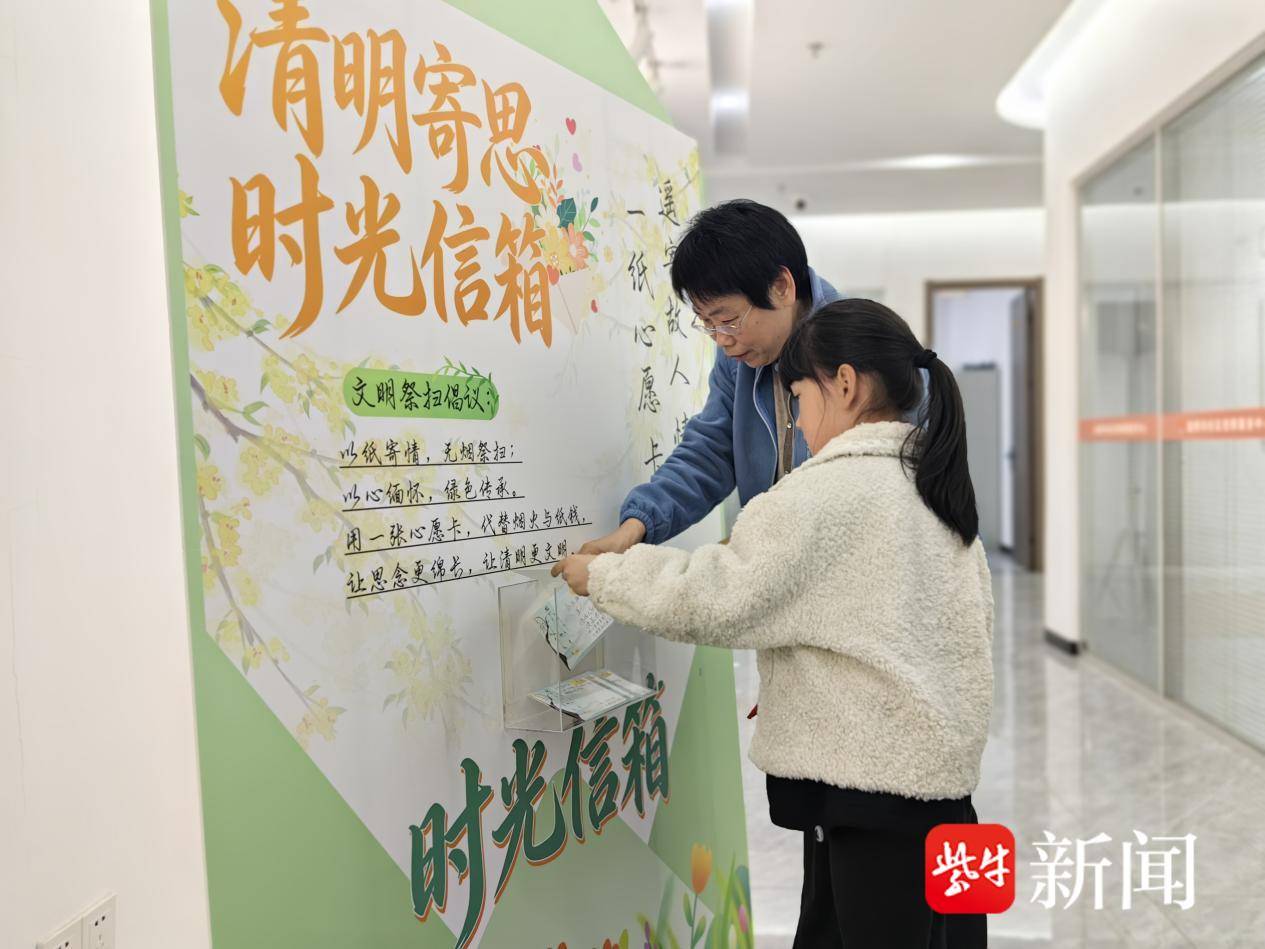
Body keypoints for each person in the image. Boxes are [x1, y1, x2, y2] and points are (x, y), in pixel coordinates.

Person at [557, 299, 994, 947]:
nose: (799, 424)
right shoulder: (935, 488)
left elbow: (716, 594)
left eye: (797, 399)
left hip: (871, 803)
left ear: (844, 384)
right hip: (948, 798)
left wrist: (603, 577)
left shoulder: (822, 494)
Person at [553, 198, 841, 564]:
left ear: (782, 287)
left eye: (728, 320)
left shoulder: (860, 353)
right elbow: (712, 450)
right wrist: (636, 526)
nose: (721, 340)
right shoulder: (741, 357)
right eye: (707, 324)